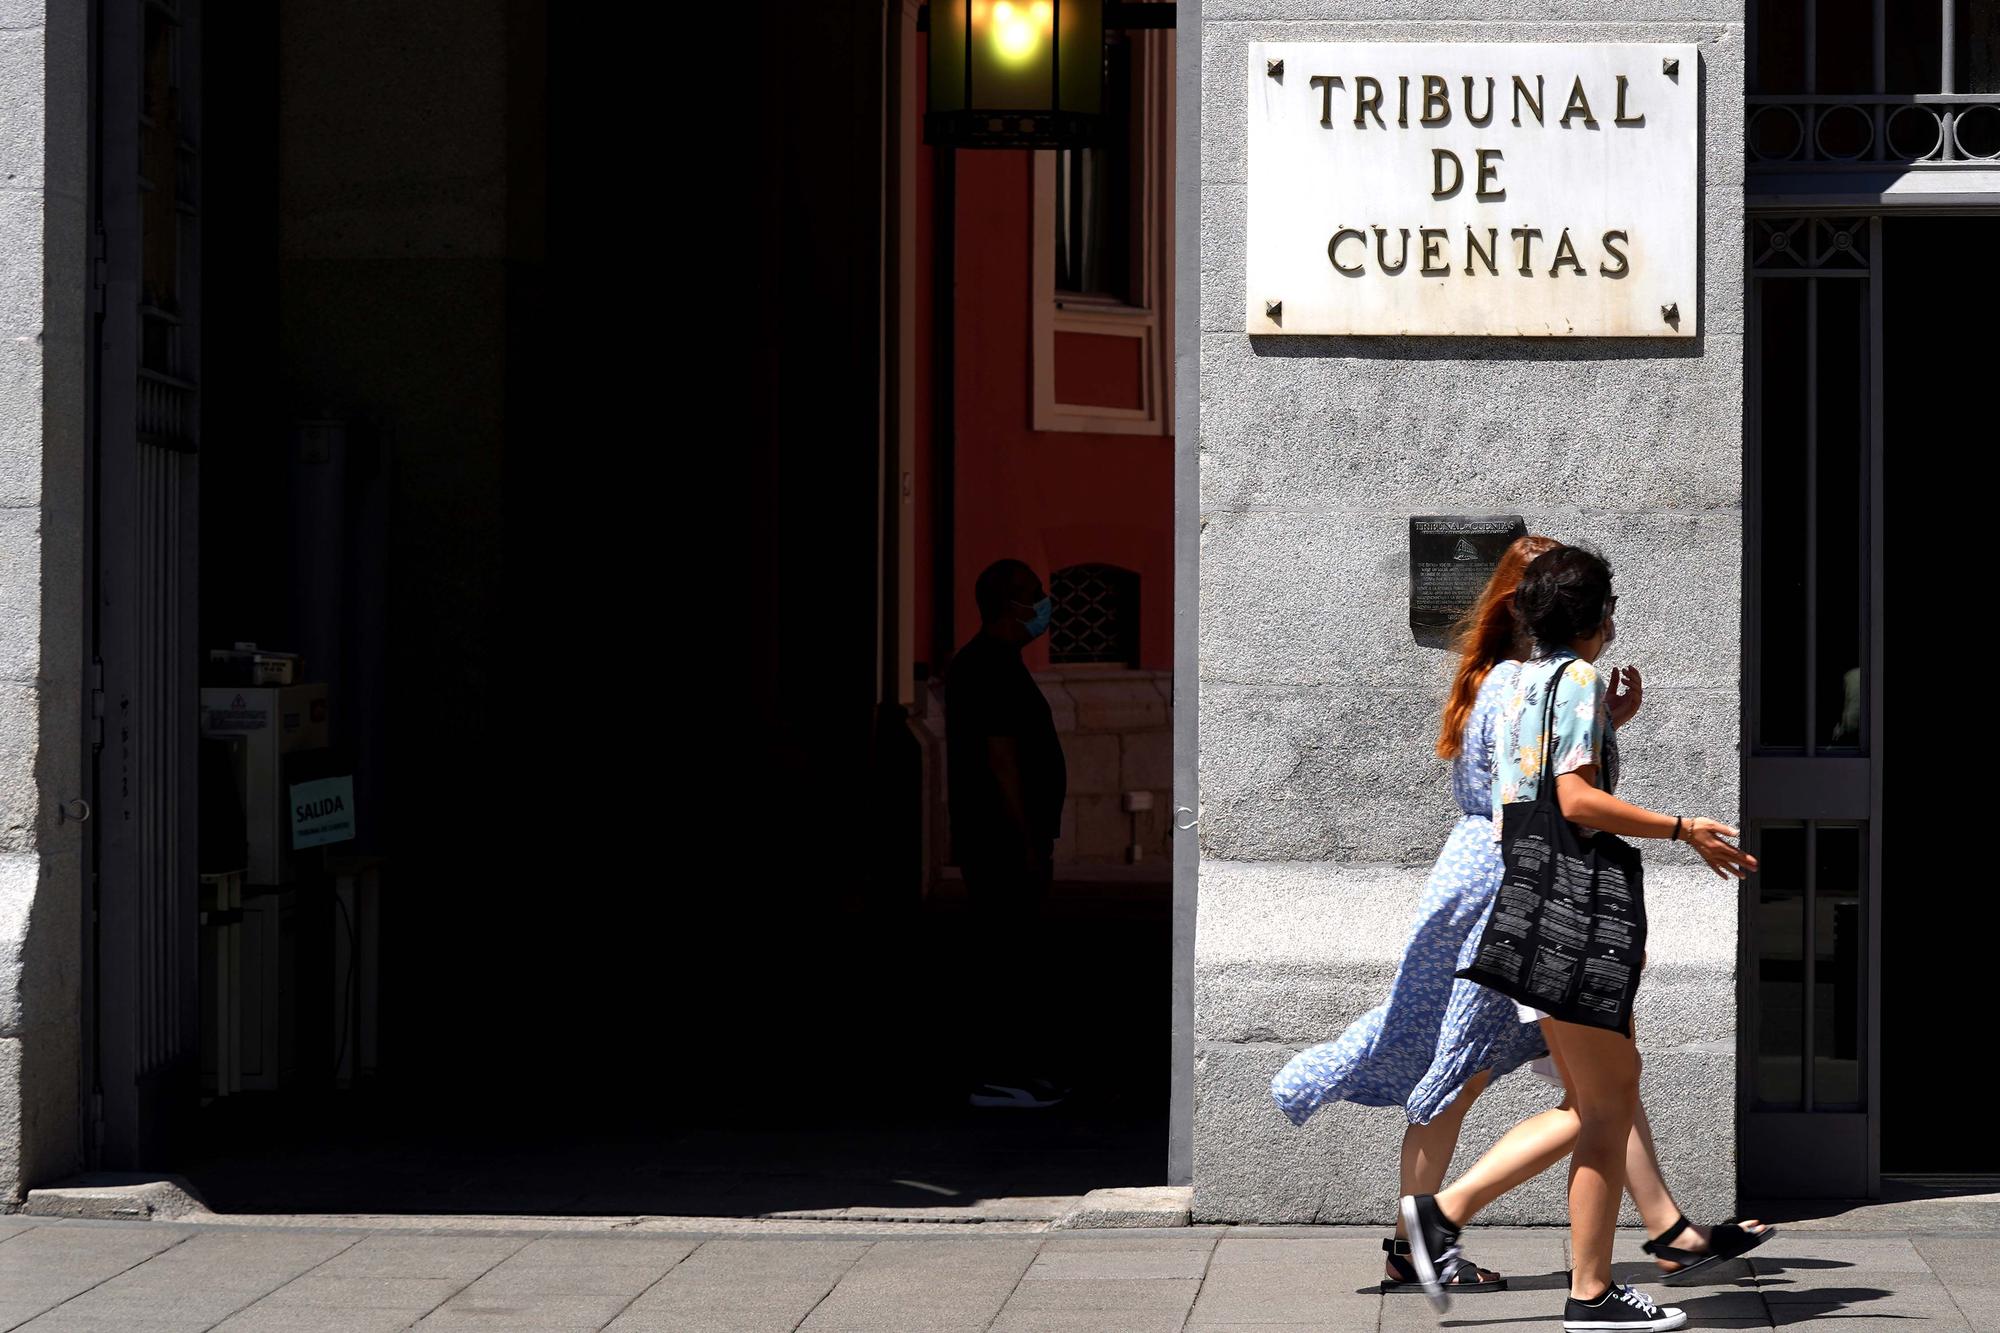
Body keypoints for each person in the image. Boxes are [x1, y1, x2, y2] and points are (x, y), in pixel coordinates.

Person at [1400, 546, 1761, 1332]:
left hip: (1527, 900)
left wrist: (1607, 726)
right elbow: (1575, 800)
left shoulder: (1521, 681)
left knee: (1600, 1098)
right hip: (1575, 911)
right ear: (1598, 618)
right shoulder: (1577, 682)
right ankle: (1531, 1260)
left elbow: (1528, 787)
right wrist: (1682, 827)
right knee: (1603, 1101)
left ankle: (1593, 1268)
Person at [1271, 535, 1559, 1293]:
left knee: (1471, 1066)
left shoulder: (1492, 676)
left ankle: (1418, 1242)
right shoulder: (1524, 685)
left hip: (1473, 877)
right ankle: (1427, 1241)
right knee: (1462, 1071)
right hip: (1502, 883)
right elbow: (1536, 797)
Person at [946, 558, 1070, 1110]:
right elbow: (1002, 761)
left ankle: (1021, 1070)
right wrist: (1024, 841)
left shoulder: (1000, 663)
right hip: (998, 840)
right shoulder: (985, 667)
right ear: (1007, 604)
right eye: (1034, 594)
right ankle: (997, 1076)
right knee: (1004, 958)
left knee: (1017, 957)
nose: (1043, 603)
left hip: (1008, 838)